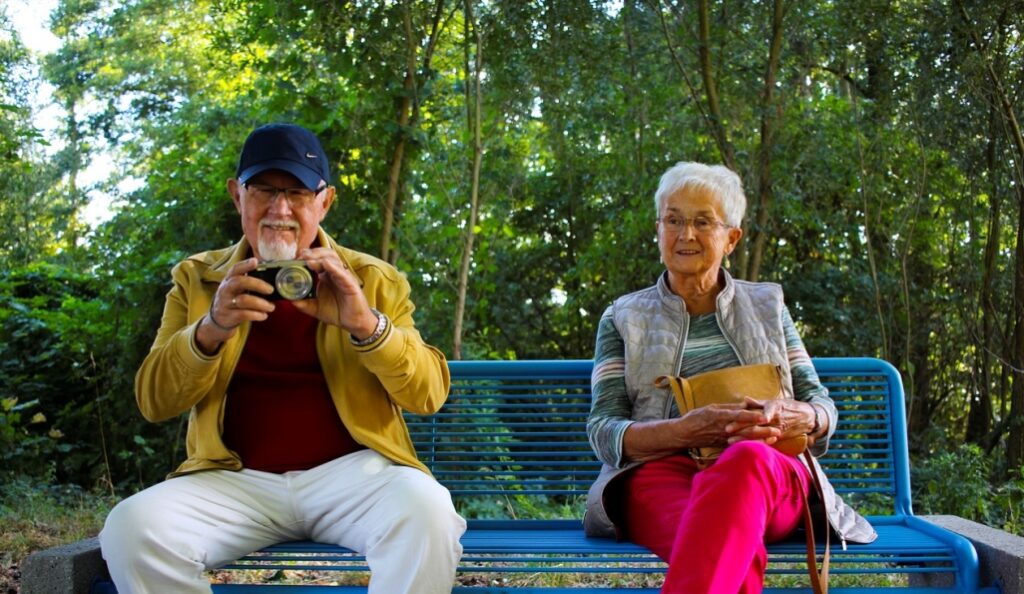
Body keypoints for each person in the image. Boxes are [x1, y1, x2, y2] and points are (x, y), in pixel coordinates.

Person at [100, 123, 466, 594]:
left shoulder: (373, 279)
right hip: (235, 481)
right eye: (265, 191)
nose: (279, 210)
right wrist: (210, 328)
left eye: (296, 192)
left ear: (325, 202)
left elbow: (429, 394)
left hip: (354, 477)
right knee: (132, 527)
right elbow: (154, 400)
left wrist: (365, 325)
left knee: (428, 514)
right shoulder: (199, 278)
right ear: (238, 196)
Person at [584, 162, 877, 593]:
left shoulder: (768, 306)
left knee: (745, 462)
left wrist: (803, 417)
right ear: (659, 228)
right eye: (673, 220)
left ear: (732, 238)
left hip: (769, 472)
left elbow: (822, 406)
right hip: (661, 474)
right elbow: (603, 430)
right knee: (725, 544)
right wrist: (683, 431)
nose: (685, 235)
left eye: (703, 222)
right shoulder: (623, 317)